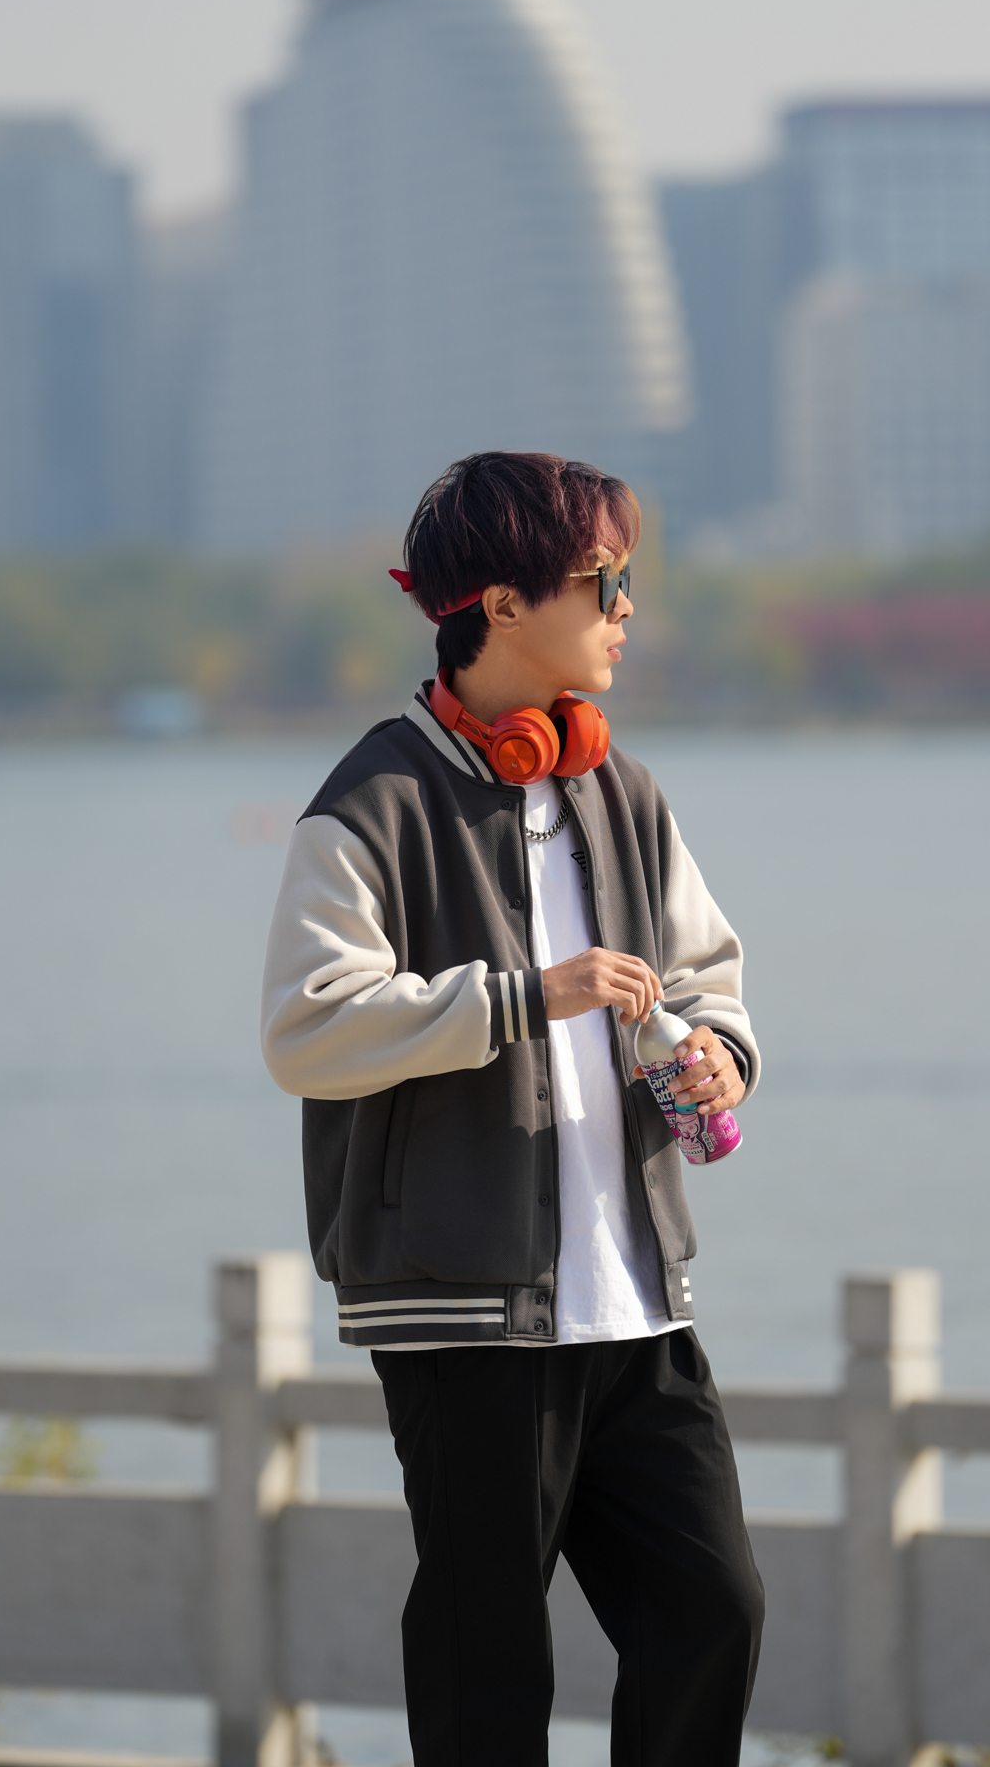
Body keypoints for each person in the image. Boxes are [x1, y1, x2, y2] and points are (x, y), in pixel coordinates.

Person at [261, 451, 764, 1767]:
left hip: (637, 1301)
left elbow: (705, 974)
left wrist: (718, 1052)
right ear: (500, 605)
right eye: (605, 580)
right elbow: (306, 1029)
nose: (626, 607)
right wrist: (519, 999)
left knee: (711, 1609)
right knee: (487, 1655)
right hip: (462, 1310)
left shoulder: (622, 791)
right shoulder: (369, 805)